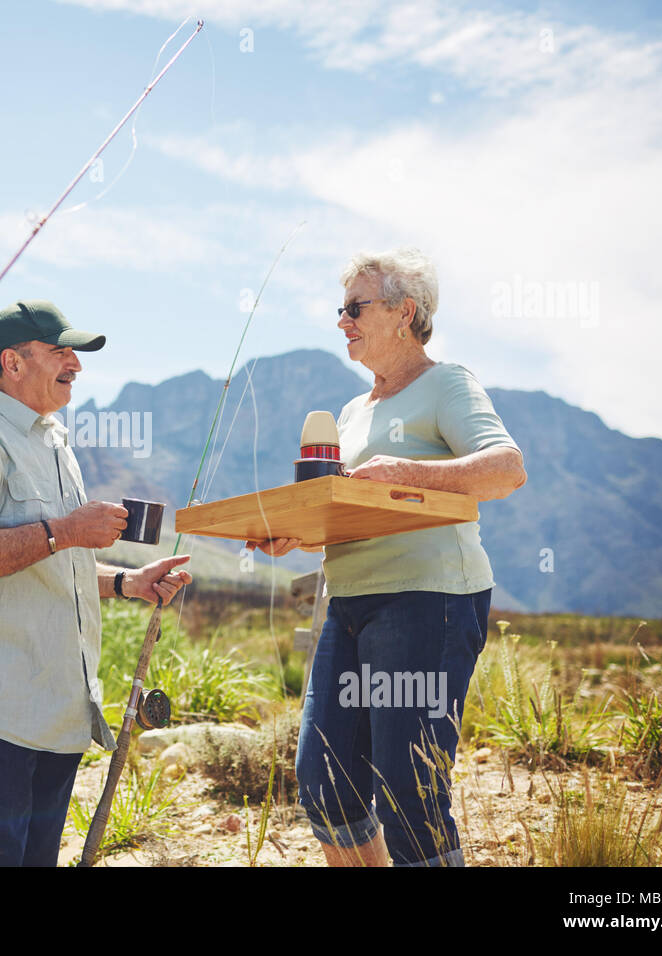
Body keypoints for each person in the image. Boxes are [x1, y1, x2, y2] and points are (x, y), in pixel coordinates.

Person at [250, 248, 526, 867]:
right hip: (349, 602)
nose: (342, 320)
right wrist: (296, 535)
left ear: (405, 313)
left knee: (407, 786)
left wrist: (403, 467)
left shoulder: (447, 384)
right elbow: (353, 513)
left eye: (355, 307)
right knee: (326, 784)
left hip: (429, 600)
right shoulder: (351, 413)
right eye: (339, 309)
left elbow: (507, 469)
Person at [0, 300, 191, 867]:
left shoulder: (57, 445)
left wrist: (128, 582)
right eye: (60, 351)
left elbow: (49, 565)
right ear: (12, 363)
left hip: (59, 716)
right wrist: (64, 530)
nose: (76, 365)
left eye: (76, 354)